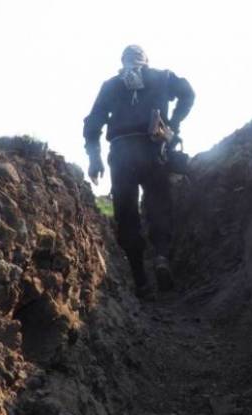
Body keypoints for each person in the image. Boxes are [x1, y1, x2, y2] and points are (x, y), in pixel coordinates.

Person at [83, 45, 195, 299]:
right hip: (154, 150)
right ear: (146, 61)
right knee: (159, 205)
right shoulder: (163, 77)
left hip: (121, 154)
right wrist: (173, 124)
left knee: (126, 215)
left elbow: (93, 123)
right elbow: (188, 94)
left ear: (122, 61)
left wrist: (95, 158)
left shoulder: (111, 85)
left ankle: (140, 280)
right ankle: (161, 257)